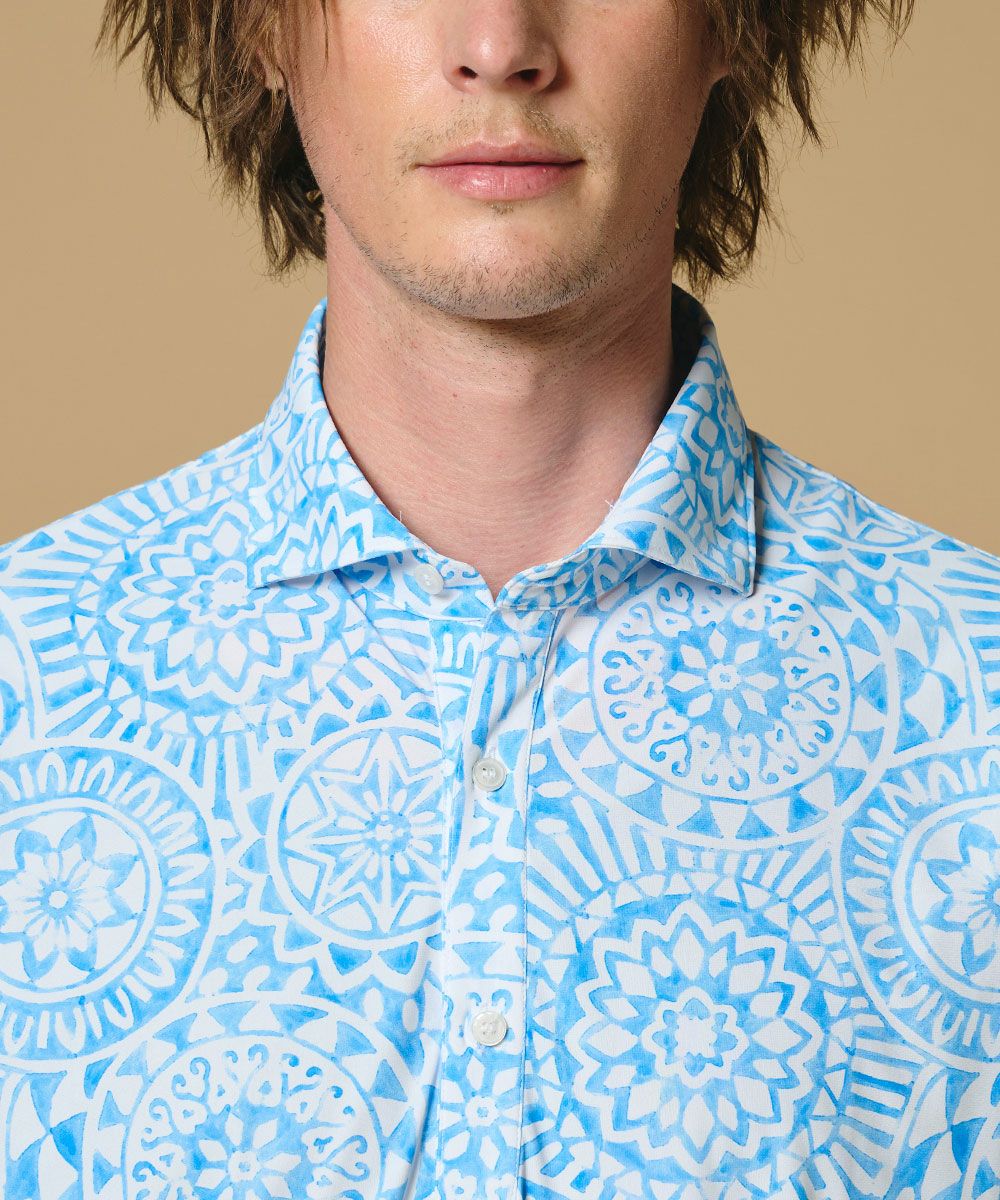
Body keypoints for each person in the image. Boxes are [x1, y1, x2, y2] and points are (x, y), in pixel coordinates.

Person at [1, 0, 997, 1197]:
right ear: (259, 29)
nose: (499, 44)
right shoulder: (22, 695)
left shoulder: (977, 717)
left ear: (726, 24)